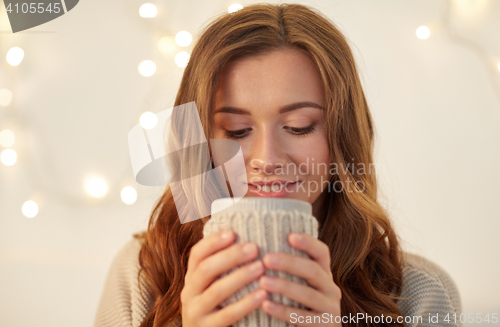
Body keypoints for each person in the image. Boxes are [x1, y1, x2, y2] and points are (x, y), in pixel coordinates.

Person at [94, 3, 462, 327]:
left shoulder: (418, 296)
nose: (267, 160)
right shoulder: (142, 274)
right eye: (237, 131)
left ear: (342, 138)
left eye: (299, 127)